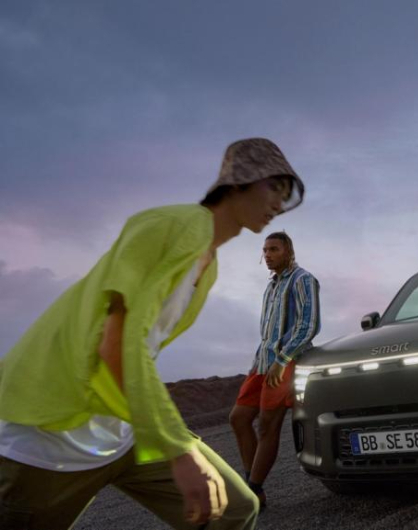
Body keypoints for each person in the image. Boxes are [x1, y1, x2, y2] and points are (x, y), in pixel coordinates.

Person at [0, 138, 305, 530]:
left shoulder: (208, 264)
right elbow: (116, 346)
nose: (279, 203)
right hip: (48, 437)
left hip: (121, 430)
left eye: (286, 195)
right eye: (274, 188)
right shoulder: (170, 225)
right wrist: (178, 449)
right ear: (239, 183)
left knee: (232, 511)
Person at [229, 232, 320, 509]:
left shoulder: (303, 279)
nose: (267, 255)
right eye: (265, 250)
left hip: (286, 361)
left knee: (268, 426)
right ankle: (252, 484)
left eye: (274, 249)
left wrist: (282, 360)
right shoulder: (271, 286)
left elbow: (309, 325)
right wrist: (260, 362)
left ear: (288, 251)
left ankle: (253, 491)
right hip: (264, 362)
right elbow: (267, 332)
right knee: (239, 418)